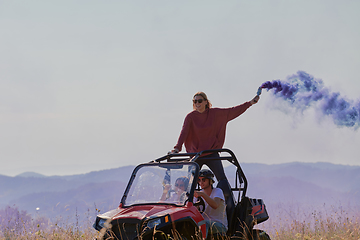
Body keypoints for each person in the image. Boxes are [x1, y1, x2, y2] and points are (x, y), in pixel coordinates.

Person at [171, 91, 260, 181]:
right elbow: (184, 132)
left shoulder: (215, 113)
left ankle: (226, 194)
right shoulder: (190, 117)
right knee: (191, 181)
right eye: (195, 101)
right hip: (196, 154)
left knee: (222, 179)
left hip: (211, 153)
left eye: (200, 101)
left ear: (206, 101)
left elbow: (232, 111)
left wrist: (250, 103)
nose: (197, 103)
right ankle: (190, 195)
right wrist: (177, 148)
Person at [194, 169, 227, 238]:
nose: (201, 182)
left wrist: (202, 194)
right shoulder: (199, 194)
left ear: (210, 181)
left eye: (204, 180)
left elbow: (215, 205)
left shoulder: (217, 191)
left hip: (219, 224)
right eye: (199, 180)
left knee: (204, 223)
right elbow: (194, 211)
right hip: (203, 223)